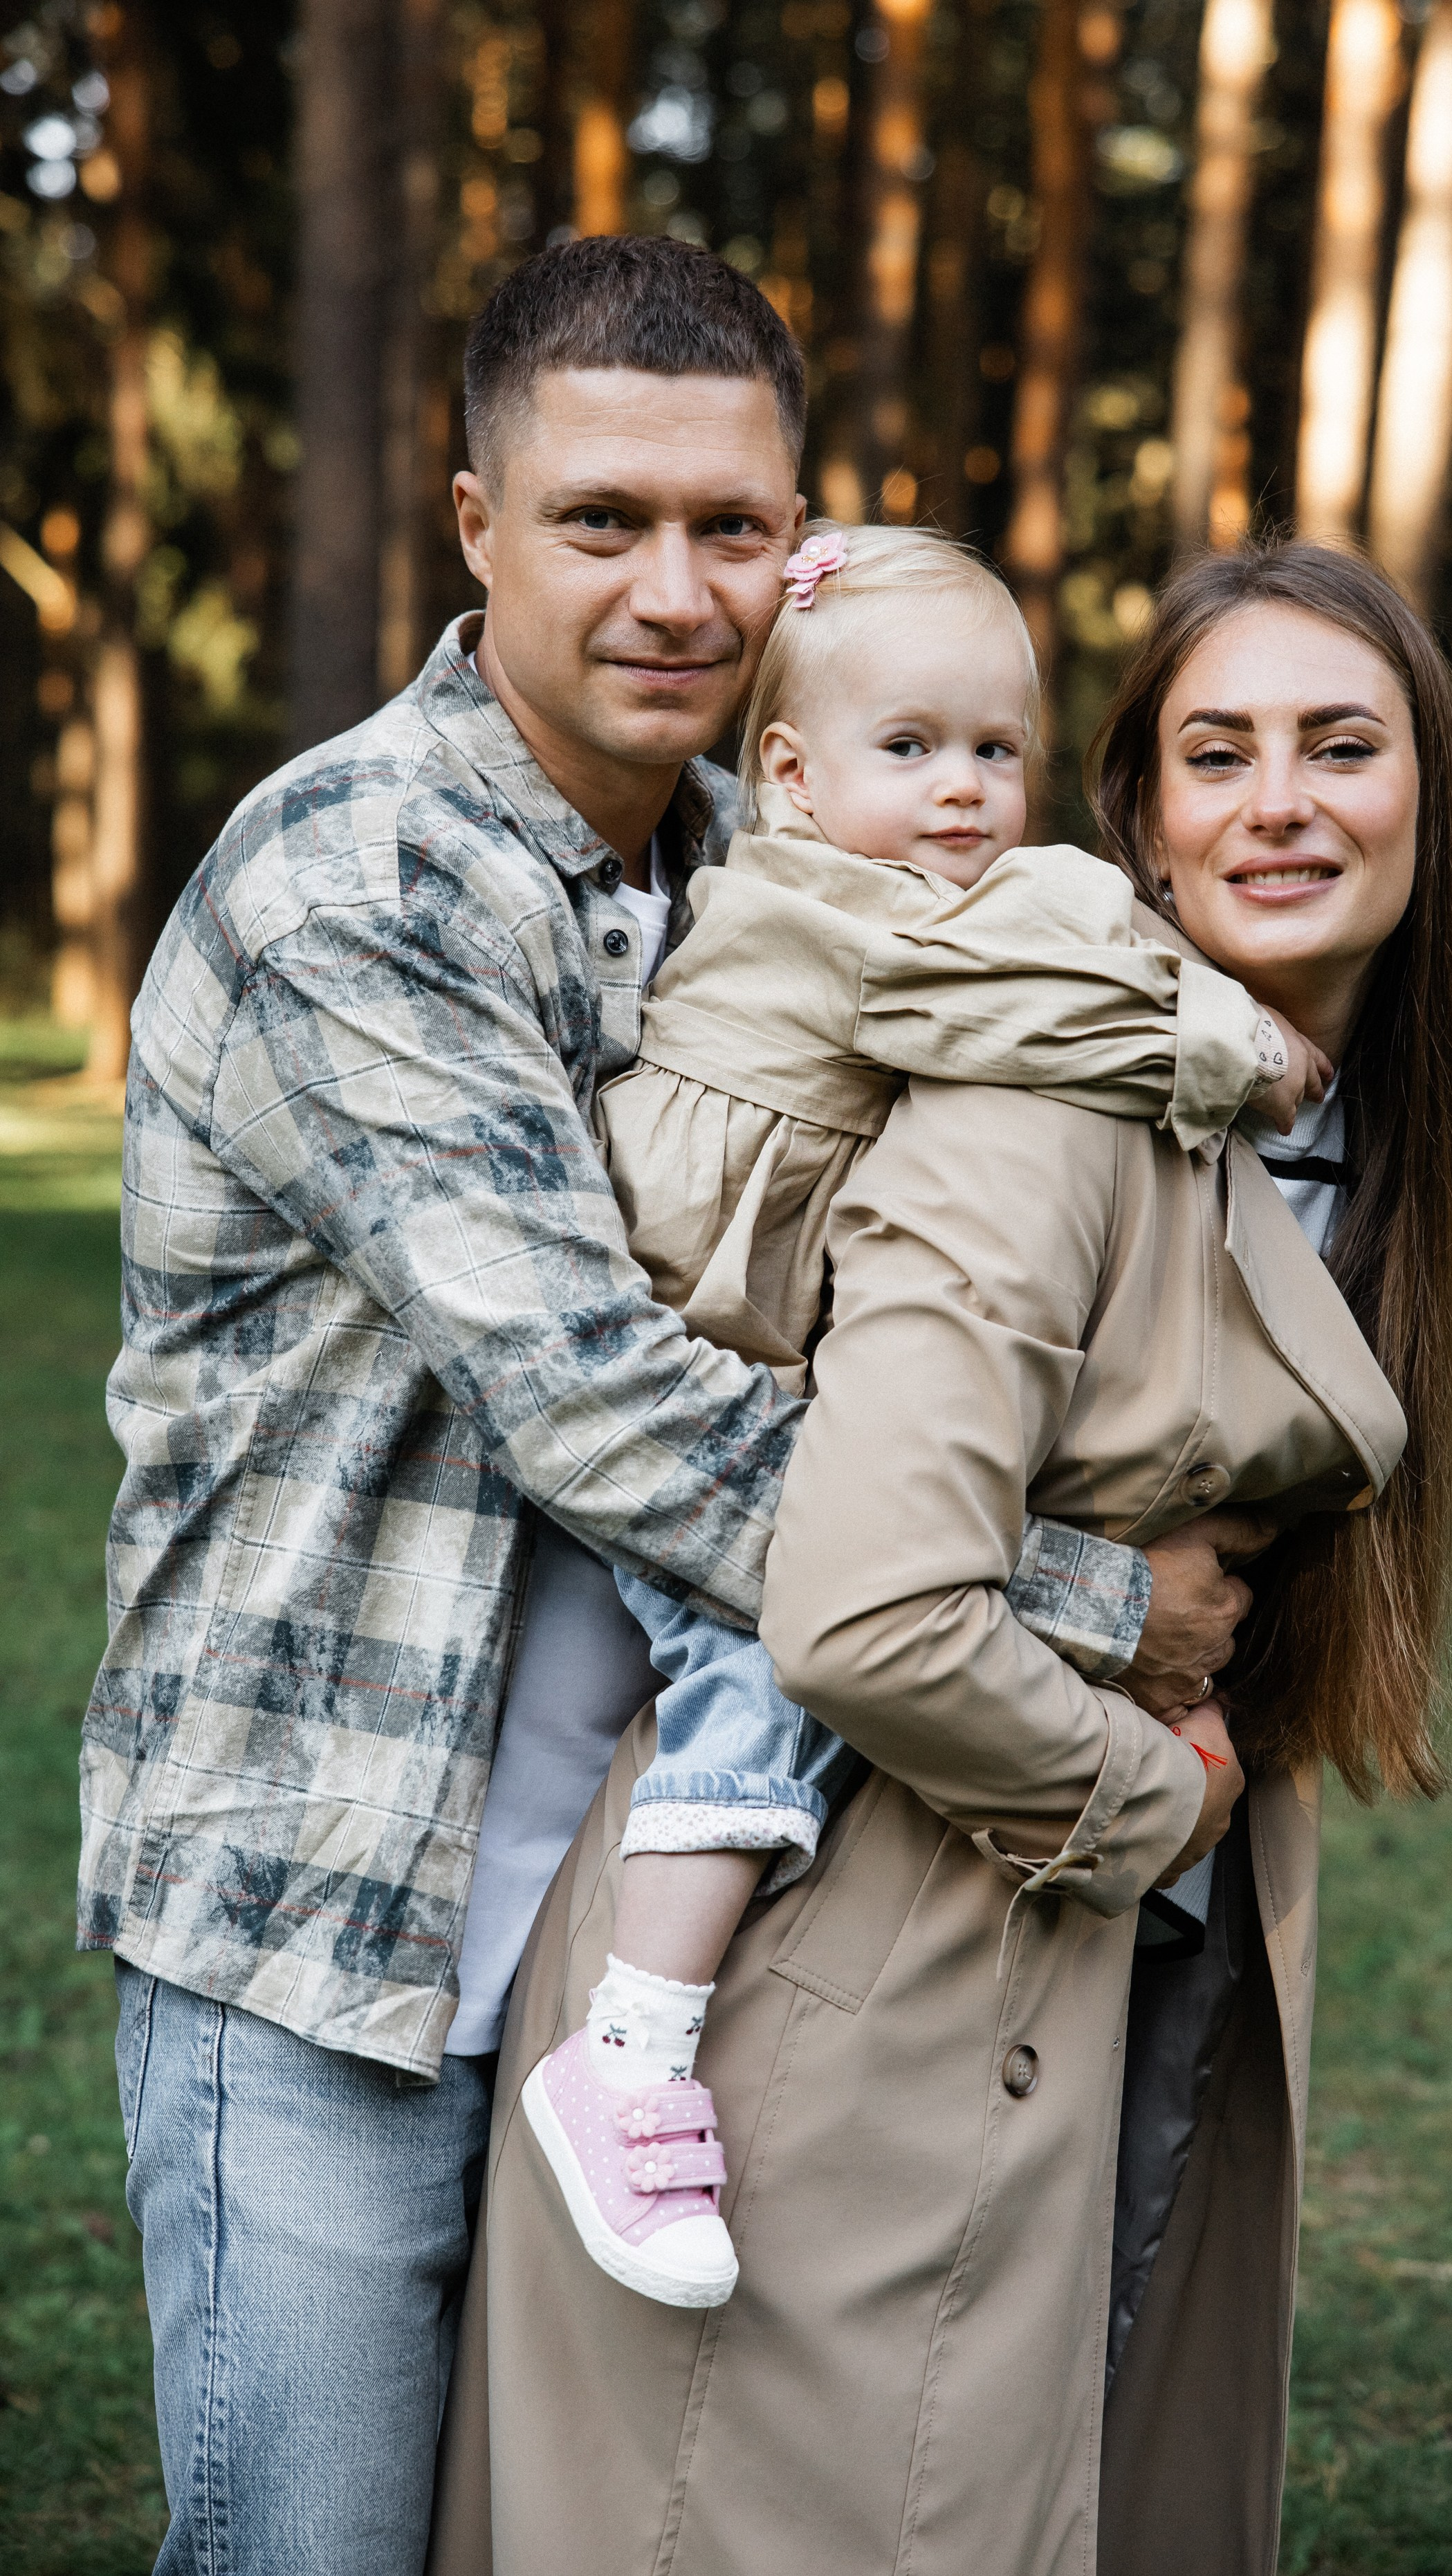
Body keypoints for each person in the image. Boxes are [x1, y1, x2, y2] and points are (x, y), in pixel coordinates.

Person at [80, 236, 1253, 2576]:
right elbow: (603, 1409)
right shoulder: (362, 881)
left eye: (733, 526)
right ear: (474, 524)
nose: (674, 587)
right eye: (601, 518)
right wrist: (1094, 1603)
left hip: (645, 1882)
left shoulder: (757, 856)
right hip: (328, 1910)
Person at [429, 537, 1452, 2576]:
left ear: (1431, 790)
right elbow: (868, 1606)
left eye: (1341, 746)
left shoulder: (1346, 1132)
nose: (1280, 802)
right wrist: (1151, 1800)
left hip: (1064, 1968)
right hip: (851, 1971)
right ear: (1141, 817)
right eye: (1218, 754)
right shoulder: (1046, 1086)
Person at [514, 519, 1332, 2310]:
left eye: (993, 749)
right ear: (792, 777)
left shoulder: (914, 899)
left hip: (757, 1345)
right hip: (693, 1365)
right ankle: (631, 2045)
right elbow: (1022, 1010)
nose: (963, 789)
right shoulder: (827, 912)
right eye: (909, 747)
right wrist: (1230, 1045)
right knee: (756, 1680)